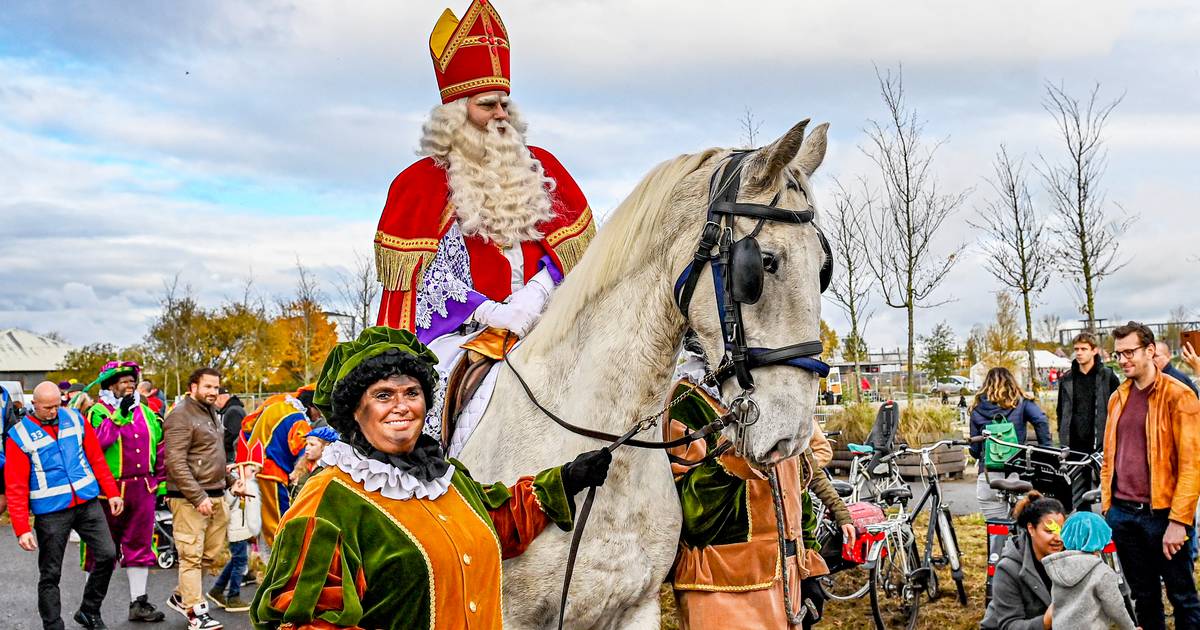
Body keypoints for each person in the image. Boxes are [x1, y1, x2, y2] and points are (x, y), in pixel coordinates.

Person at [249, 326, 611, 629]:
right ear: (355, 410)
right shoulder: (328, 501)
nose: (402, 405)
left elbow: (497, 521)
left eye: (412, 393)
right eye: (383, 395)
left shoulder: (445, 478)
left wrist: (566, 479)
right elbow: (307, 621)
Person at [372, 0, 594, 452]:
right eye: (487, 104)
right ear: (456, 112)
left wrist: (536, 295)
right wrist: (492, 312)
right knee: (423, 408)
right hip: (461, 332)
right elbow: (425, 282)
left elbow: (573, 254)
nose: (500, 115)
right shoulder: (417, 186)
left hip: (550, 318)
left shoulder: (542, 166)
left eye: (504, 104)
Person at [665, 339, 854, 629]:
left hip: (787, 582)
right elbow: (693, 520)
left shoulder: (771, 396)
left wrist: (809, 571)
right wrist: (732, 459)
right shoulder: (689, 399)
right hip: (724, 591)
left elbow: (799, 485)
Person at [1101, 321, 1200, 630]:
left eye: (1130, 352)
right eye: (1118, 354)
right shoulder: (1118, 398)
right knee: (1143, 597)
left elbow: (1191, 465)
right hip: (1123, 516)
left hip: (1163, 517)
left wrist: (1178, 521)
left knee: (1182, 596)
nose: (1123, 360)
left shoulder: (1179, 396)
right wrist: (1109, 509)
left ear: (1150, 350)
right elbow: (1109, 458)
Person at [5, 381, 124, 630]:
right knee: (50, 574)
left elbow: (96, 459)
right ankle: (53, 625)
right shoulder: (19, 435)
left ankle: (89, 610)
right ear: (33, 405)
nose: (53, 412)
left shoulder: (76, 418)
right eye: (47, 407)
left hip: (87, 501)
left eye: (57, 405)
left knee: (107, 554)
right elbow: (16, 485)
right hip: (51, 512)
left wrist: (112, 492)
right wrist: (21, 528)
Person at [83, 360, 168, 623]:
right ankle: (91, 607)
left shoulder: (147, 412)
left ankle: (139, 603)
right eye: (123, 381)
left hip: (143, 488)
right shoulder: (97, 412)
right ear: (110, 385)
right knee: (101, 549)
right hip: (108, 491)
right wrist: (119, 415)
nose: (130, 384)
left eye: (132, 380)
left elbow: (160, 449)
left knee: (140, 546)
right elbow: (96, 445)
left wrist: (161, 484)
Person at [164, 368, 245, 630]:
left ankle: (181, 596)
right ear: (193, 387)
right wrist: (197, 496)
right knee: (191, 556)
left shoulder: (210, 412)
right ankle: (196, 613)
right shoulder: (180, 415)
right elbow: (175, 462)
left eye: (216, 388)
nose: (213, 392)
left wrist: (232, 483)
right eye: (207, 387)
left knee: (213, 555)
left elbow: (214, 456)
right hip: (189, 499)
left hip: (216, 493)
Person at [969, 367, 1053, 519]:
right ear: (1012, 383)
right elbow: (1041, 420)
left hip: (989, 476)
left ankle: (998, 539)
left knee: (996, 529)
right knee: (1022, 524)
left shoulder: (977, 409)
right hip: (1018, 473)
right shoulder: (1021, 403)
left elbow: (974, 451)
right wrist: (1045, 451)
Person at [236, 386, 313, 548]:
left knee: (261, 525)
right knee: (280, 524)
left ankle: (259, 562)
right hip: (271, 473)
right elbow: (304, 450)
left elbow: (247, 428)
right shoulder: (297, 418)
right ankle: (281, 563)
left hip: (251, 470)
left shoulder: (276, 406)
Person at [980, 491, 1065, 630]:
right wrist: (1046, 621)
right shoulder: (1008, 568)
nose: (1058, 538)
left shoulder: (1069, 558)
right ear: (1031, 529)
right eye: (1049, 531)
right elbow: (1009, 625)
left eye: (1062, 530)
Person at [1041, 510, 1137, 630]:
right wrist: (1130, 628)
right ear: (1101, 537)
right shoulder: (1102, 572)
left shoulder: (1059, 568)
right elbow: (1115, 608)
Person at [207, 461, 261, 614]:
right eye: (252, 470)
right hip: (235, 530)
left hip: (242, 530)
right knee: (240, 563)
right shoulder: (235, 484)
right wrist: (234, 492)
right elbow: (227, 503)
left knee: (235, 561)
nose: (255, 474)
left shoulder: (249, 484)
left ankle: (217, 590)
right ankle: (233, 597)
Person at [1056, 332, 1121, 455]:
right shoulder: (1067, 379)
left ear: (1094, 351)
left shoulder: (1107, 377)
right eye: (1076, 349)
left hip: (1101, 445)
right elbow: (1060, 410)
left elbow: (1119, 409)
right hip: (1073, 447)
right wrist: (1062, 436)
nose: (1079, 353)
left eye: (1084, 349)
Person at [288, 425, 338, 490]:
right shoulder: (303, 465)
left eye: (312, 444)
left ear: (326, 446)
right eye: (306, 444)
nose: (307, 448)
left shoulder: (330, 470)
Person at [215, 388, 246, 464]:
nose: (214, 403)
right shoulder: (231, 409)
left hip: (232, 454)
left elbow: (234, 435)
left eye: (215, 400)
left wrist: (220, 444)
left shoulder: (233, 411)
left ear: (220, 398)